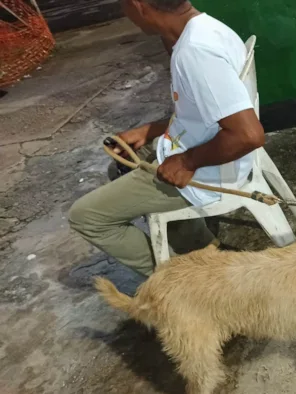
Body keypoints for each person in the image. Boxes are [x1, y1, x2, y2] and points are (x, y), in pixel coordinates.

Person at [69, 0, 265, 277]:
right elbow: (202, 113)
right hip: (208, 153)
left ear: (137, 4)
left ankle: (180, 288)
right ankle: (201, 247)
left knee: (87, 217)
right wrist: (150, 131)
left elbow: (248, 135)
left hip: (212, 171)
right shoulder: (204, 28)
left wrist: (186, 162)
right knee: (120, 167)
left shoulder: (195, 52)